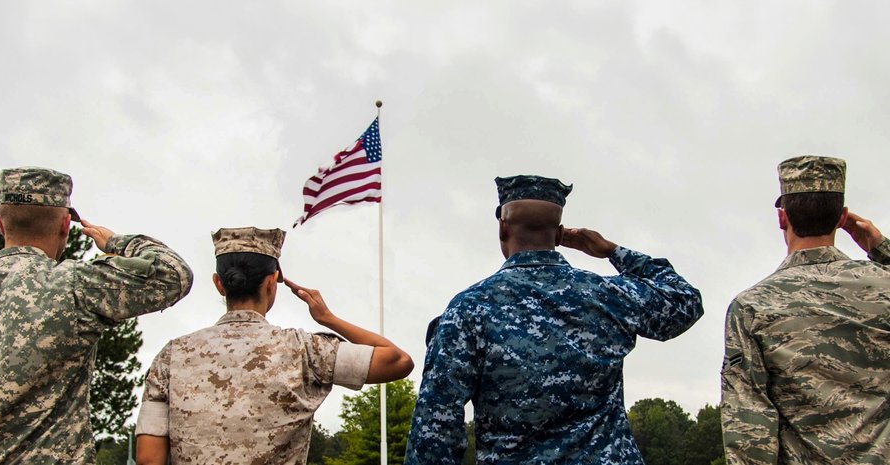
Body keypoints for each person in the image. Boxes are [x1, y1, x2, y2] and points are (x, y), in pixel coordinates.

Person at [405, 175, 704, 464]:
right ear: (560, 235)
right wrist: (613, 251)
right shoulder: (607, 295)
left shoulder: (468, 310)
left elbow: (436, 426)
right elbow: (684, 301)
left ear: (502, 228)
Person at [134, 226, 414, 465]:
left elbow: (149, 459)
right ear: (271, 283)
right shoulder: (305, 349)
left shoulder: (172, 355)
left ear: (219, 284)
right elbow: (398, 361)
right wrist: (328, 318)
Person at [0, 167, 194, 465]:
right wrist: (117, 243)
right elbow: (173, 274)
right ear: (66, 225)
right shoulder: (74, 285)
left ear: (0, 224)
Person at [721, 156, 890, 464]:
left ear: (782, 218)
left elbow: (749, 429)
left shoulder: (752, 307)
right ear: (842, 218)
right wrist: (880, 248)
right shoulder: (884, 286)